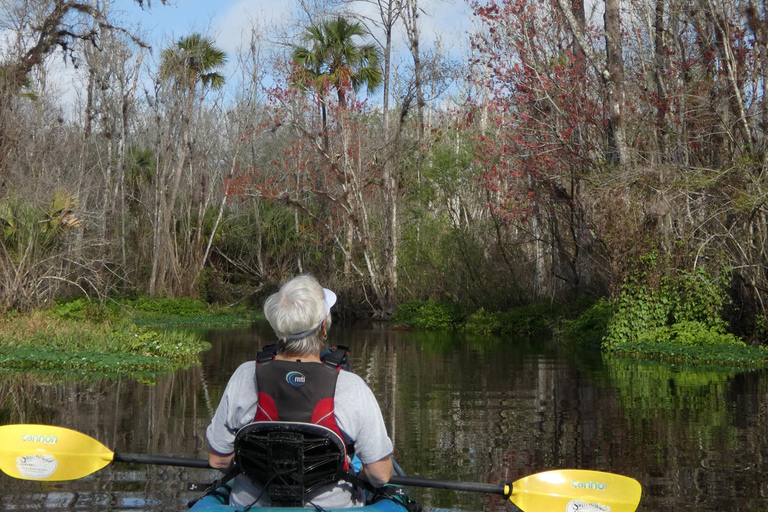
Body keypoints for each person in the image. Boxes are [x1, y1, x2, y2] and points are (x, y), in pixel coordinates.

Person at [206, 274, 394, 508]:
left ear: (277, 326)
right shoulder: (351, 386)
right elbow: (381, 475)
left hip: (251, 505)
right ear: (324, 326)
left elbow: (218, 460)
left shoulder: (245, 376)